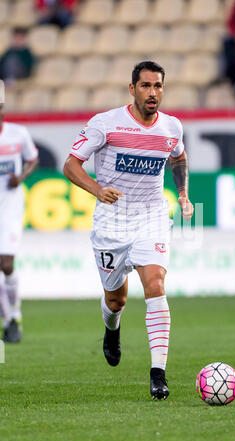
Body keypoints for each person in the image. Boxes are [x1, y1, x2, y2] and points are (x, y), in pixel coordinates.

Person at [63, 61, 194, 400]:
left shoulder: (172, 127)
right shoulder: (105, 124)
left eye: (159, 86)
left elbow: (178, 158)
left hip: (151, 216)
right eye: (146, 86)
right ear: (132, 88)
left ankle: (158, 374)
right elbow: (70, 165)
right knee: (116, 299)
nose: (153, 93)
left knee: (155, 283)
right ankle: (111, 329)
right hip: (112, 220)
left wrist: (182, 194)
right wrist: (96, 189)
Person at [0, 104, 39, 343]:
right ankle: (8, 322)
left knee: (6, 263)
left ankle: (14, 316)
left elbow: (32, 160)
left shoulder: (18, 134)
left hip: (10, 207)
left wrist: (22, 176)